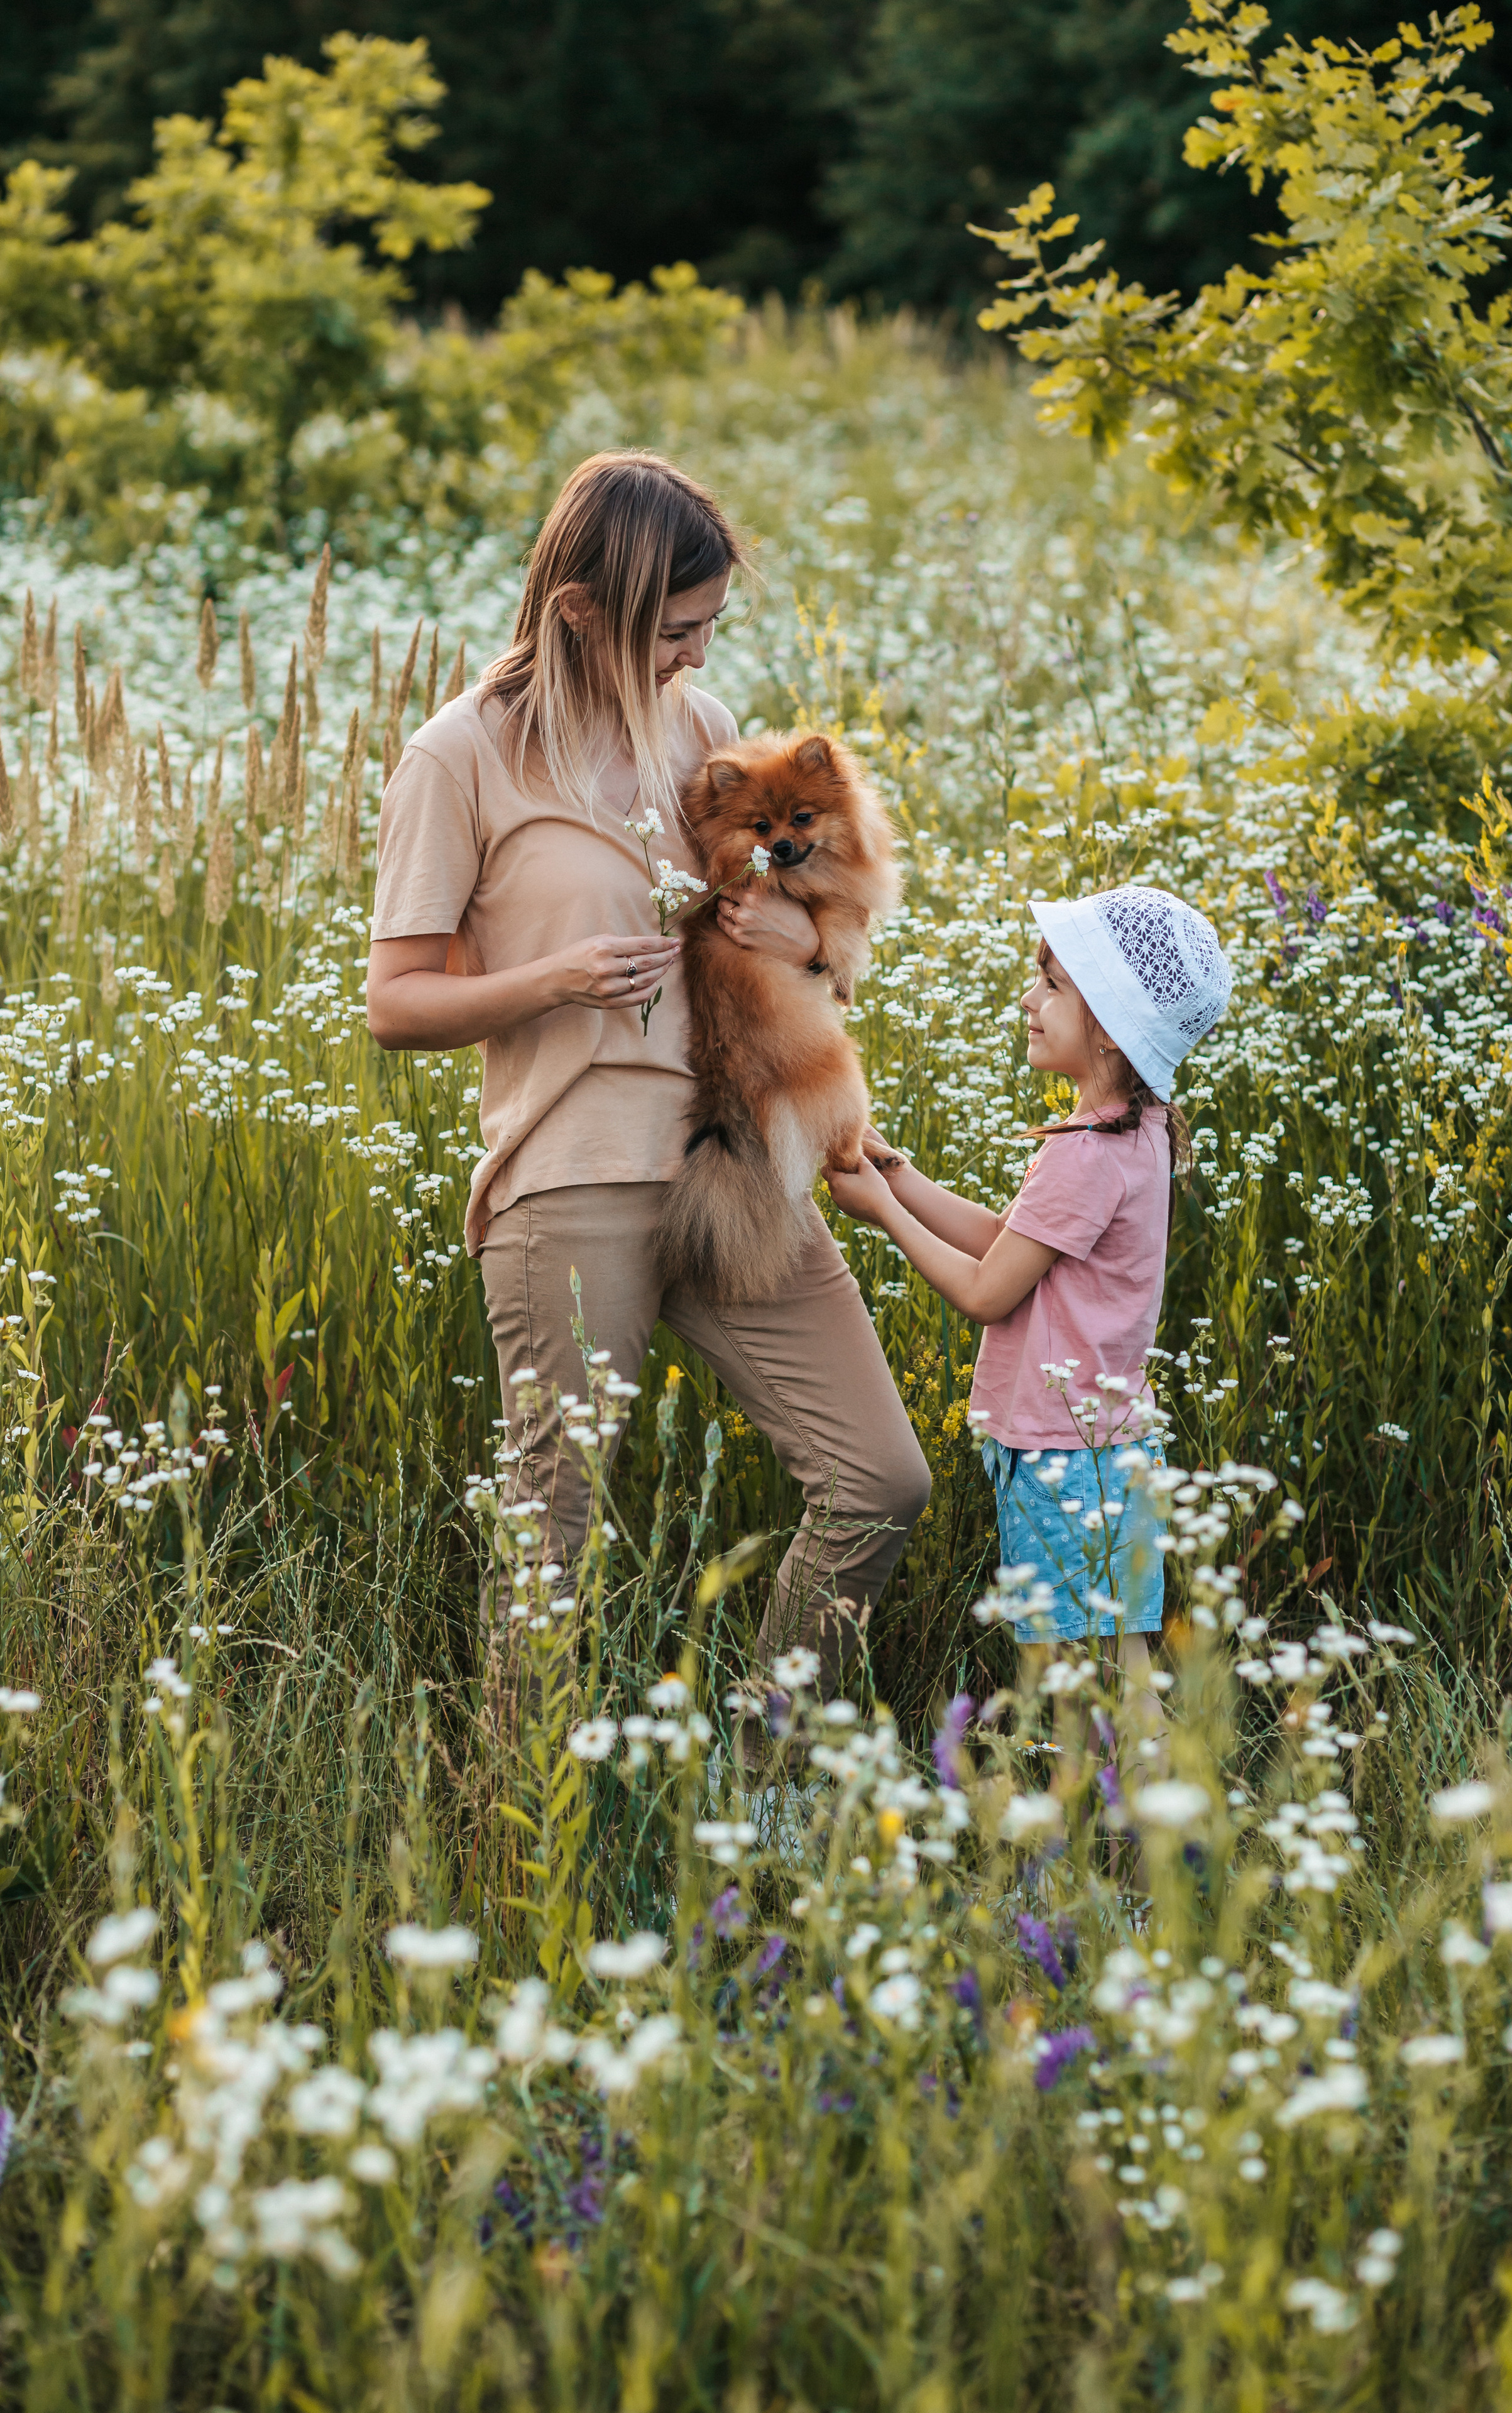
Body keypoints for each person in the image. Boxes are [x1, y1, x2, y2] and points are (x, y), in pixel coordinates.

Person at [366, 450, 930, 1693]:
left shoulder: (700, 733)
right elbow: (395, 1002)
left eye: (711, 625)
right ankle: (529, 1869)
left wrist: (808, 944)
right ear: (582, 610)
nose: (698, 658)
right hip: (570, 1181)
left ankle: (761, 1775)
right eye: (677, 631)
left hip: (737, 1155)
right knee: (551, 1553)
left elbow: (784, 916)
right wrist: (557, 979)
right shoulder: (458, 758)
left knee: (878, 1481)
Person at [825, 883, 1232, 1714]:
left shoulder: (1086, 1154)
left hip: (1065, 1455)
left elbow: (986, 1288)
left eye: (1052, 984)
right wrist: (898, 1173)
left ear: (1111, 1025)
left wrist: (881, 1214)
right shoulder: (1130, 1133)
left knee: (1088, 1686)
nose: (1029, 1000)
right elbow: (1005, 1239)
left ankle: (1136, 1835)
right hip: (1108, 1447)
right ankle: (1147, 1834)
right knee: (1119, 1670)